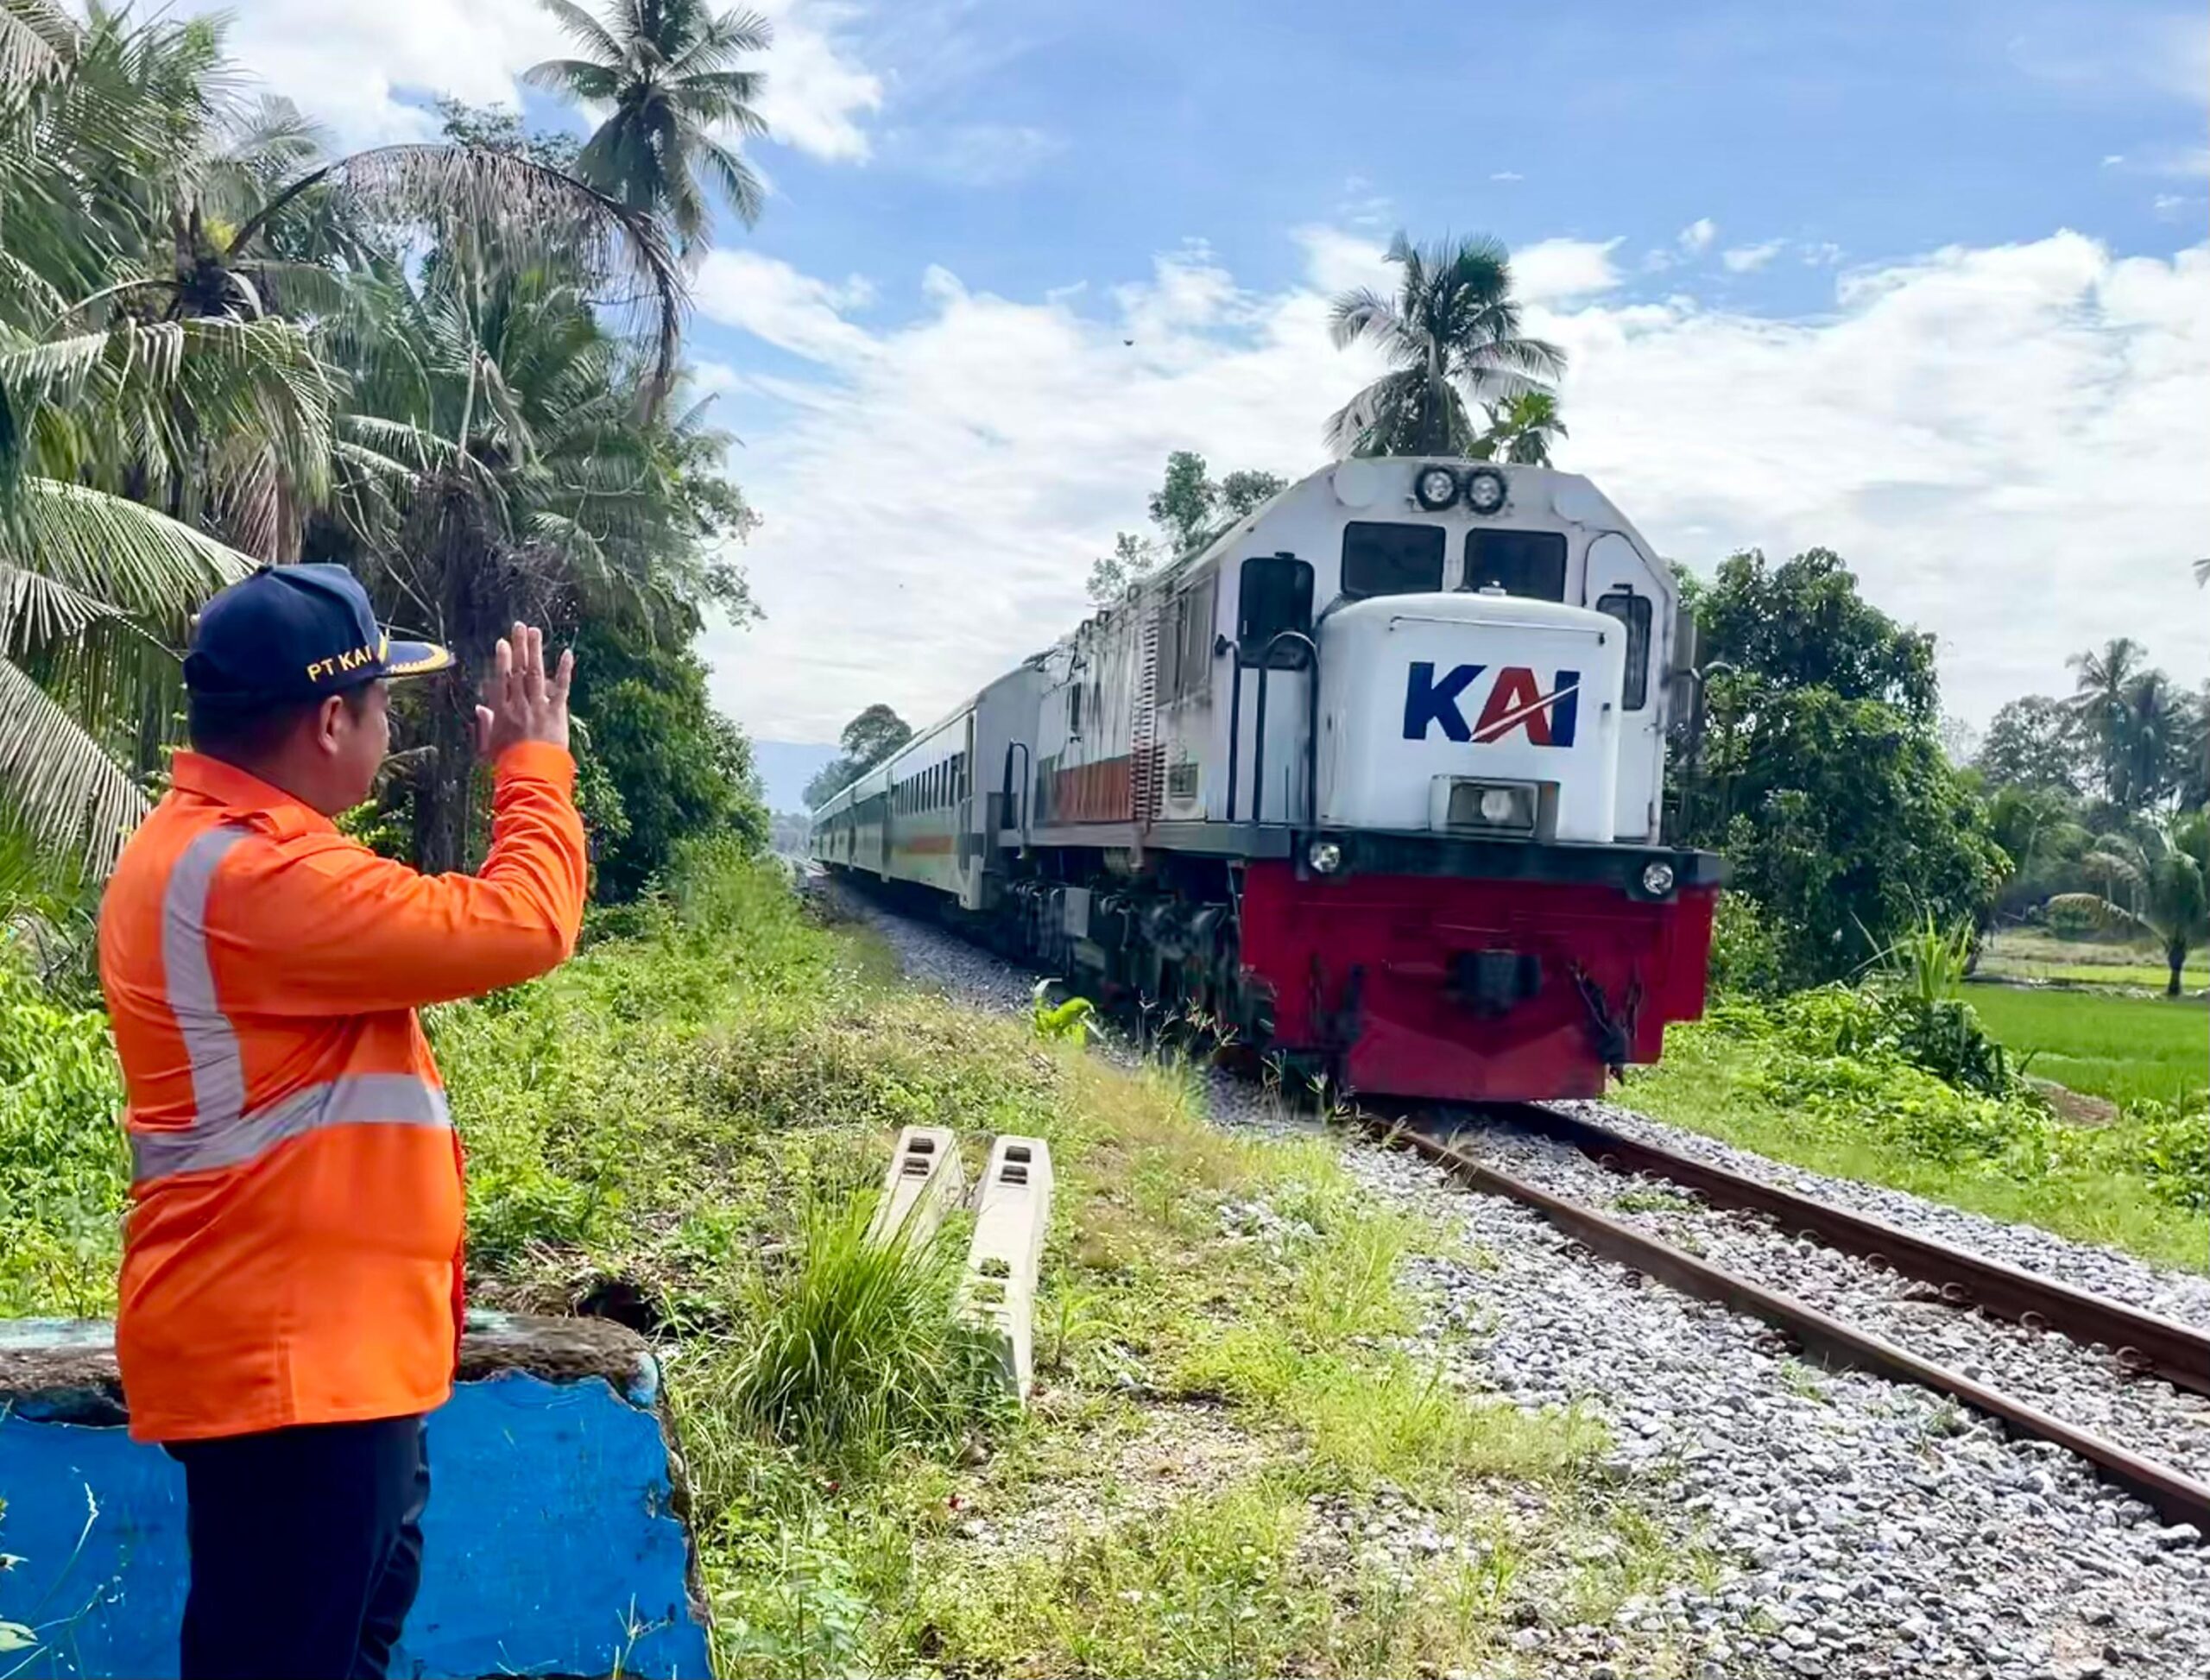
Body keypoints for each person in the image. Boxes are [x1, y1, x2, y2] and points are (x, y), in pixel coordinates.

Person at [97, 563, 590, 1680]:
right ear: (330, 719)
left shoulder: (222, 854)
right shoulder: (249, 876)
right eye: (383, 704)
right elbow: (524, 921)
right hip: (294, 1376)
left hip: (323, 1363)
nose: (388, 727)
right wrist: (531, 765)